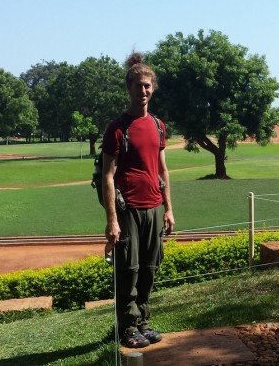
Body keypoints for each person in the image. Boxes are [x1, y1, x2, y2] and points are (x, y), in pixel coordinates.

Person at [102, 52, 175, 348]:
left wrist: (169, 208)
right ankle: (128, 327)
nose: (142, 90)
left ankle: (142, 321)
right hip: (128, 208)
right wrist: (112, 220)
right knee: (128, 271)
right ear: (128, 88)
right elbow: (108, 175)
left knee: (149, 268)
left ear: (153, 88)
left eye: (147, 85)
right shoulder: (117, 128)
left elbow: (162, 169)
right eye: (137, 85)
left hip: (154, 208)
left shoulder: (158, 126)